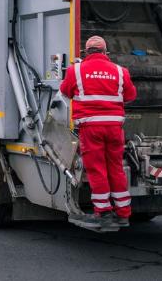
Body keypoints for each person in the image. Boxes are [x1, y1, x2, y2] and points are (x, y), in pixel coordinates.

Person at [59, 35, 137, 228]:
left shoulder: (75, 70)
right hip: (114, 128)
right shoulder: (121, 71)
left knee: (97, 170)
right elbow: (131, 95)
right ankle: (123, 213)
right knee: (116, 168)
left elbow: (65, 92)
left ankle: (103, 213)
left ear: (86, 52)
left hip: (91, 128)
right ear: (105, 53)